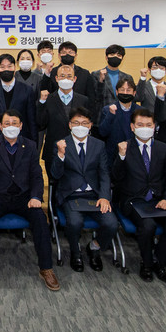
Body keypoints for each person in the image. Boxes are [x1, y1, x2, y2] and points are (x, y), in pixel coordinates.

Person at [0, 109, 59, 291]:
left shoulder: (30, 146)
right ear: (0, 126)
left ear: (21, 126)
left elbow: (36, 176)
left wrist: (36, 196)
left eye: (14, 123)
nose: (10, 126)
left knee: (40, 218)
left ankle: (46, 268)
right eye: (7, 123)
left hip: (24, 197)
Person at [111, 108, 166, 283]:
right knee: (148, 226)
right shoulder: (124, 147)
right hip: (134, 201)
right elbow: (115, 177)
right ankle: (147, 264)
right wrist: (121, 156)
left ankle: (159, 261)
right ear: (132, 127)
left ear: (154, 126)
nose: (145, 128)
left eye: (148, 125)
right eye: (140, 124)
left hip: (159, 200)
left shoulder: (164, 149)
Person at [50, 107, 118, 273]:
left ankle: (94, 247)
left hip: (94, 196)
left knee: (111, 224)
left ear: (90, 125)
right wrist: (60, 155)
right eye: (76, 123)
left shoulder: (99, 145)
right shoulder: (61, 144)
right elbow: (55, 174)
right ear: (70, 125)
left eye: (84, 123)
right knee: (74, 223)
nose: (80, 126)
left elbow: (104, 173)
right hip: (71, 195)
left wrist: (104, 196)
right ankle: (76, 252)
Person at [36, 64, 88, 177]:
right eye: (62, 76)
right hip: (53, 151)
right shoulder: (48, 99)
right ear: (56, 78)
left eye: (69, 76)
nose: (66, 79)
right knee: (54, 184)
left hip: (77, 151)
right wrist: (41, 103)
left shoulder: (83, 100)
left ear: (74, 79)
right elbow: (40, 123)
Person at [0, 54, 37, 142]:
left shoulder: (27, 90)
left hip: (20, 140)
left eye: (9, 66)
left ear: (15, 68)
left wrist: (34, 143)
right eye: (2, 67)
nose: (6, 70)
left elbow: (32, 120)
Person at [98, 78, 141, 169]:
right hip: (113, 156)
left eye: (128, 90)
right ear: (117, 92)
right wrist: (111, 115)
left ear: (134, 93)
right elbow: (102, 132)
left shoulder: (140, 111)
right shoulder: (107, 110)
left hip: (135, 156)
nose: (125, 93)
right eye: (122, 90)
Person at [39, 42, 97, 108]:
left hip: (80, 110)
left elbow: (91, 97)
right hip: (57, 109)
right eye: (64, 52)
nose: (67, 55)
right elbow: (44, 92)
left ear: (75, 55)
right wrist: (47, 74)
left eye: (70, 52)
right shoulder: (52, 72)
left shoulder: (85, 73)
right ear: (59, 55)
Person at [91, 44, 135, 114]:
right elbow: (95, 98)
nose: (115, 57)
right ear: (106, 57)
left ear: (122, 59)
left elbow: (132, 99)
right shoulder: (96, 74)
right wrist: (101, 81)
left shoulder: (127, 77)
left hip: (122, 114)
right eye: (112, 54)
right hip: (102, 114)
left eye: (119, 55)